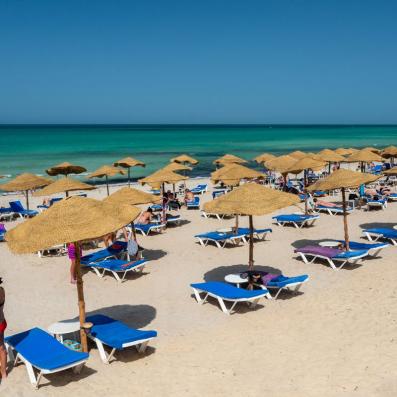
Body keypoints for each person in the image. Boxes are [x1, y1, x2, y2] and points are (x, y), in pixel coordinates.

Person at [0, 278, 7, 380]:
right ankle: (4, 372)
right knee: (1, 346)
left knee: (1, 347)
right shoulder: (2, 290)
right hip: (2, 321)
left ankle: (3, 372)